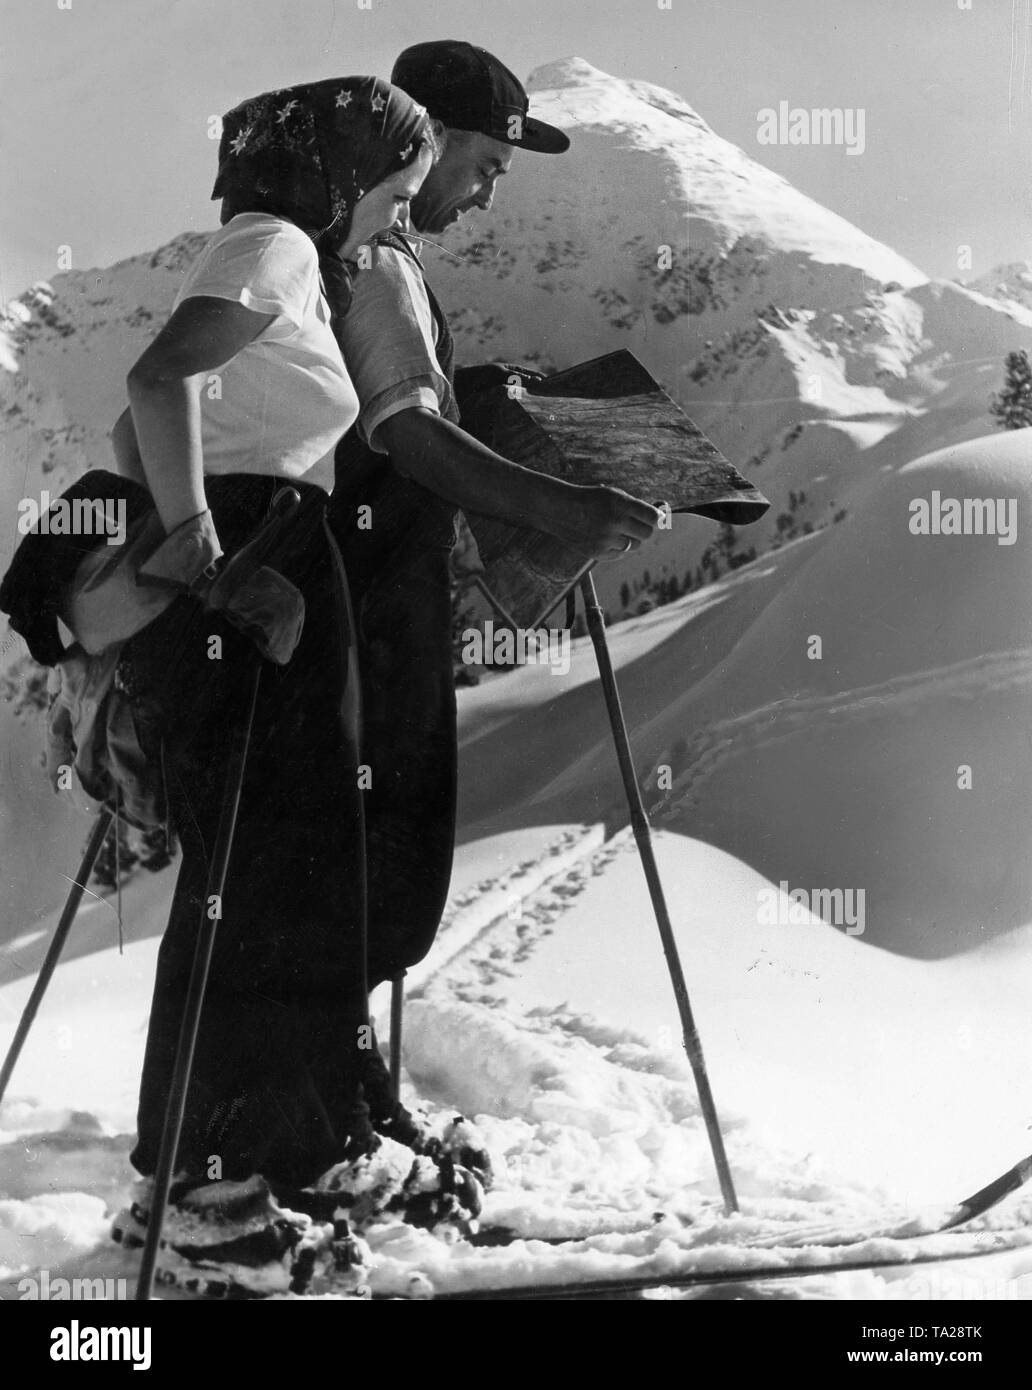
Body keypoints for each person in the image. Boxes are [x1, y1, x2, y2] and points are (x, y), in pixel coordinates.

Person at [107, 76, 462, 1296]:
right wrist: (209, 555)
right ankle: (208, 1196)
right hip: (253, 576)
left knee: (259, 883)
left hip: (269, 563)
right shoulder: (270, 245)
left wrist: (210, 532)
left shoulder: (286, 257)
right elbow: (159, 386)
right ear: (343, 173)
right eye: (393, 192)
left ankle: (227, 1167)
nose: (393, 221)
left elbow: (134, 431)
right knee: (256, 889)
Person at [327, 41, 663, 1141]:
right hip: (370, 609)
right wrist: (565, 508)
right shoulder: (370, 260)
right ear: (423, 142)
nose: (486, 191)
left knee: (381, 856)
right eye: (482, 163)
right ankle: (338, 1104)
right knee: (377, 856)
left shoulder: (372, 252)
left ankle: (350, 1092)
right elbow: (404, 434)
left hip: (377, 600)